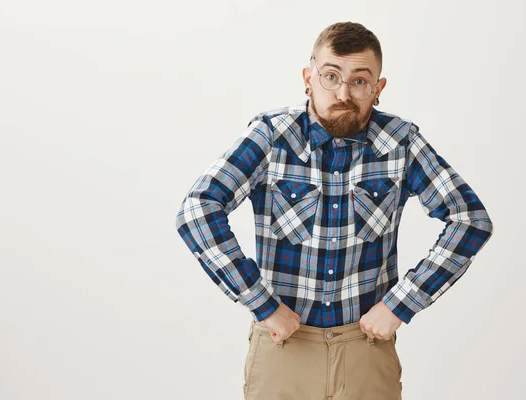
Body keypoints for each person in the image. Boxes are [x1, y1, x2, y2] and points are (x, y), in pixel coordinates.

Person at [176, 21, 494, 400]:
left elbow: (469, 219)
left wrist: (400, 304)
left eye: (359, 81)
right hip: (284, 348)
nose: (343, 92)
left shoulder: (401, 142)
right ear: (308, 77)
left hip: (367, 350)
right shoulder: (271, 135)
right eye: (331, 76)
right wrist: (261, 304)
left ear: (378, 88)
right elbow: (199, 209)